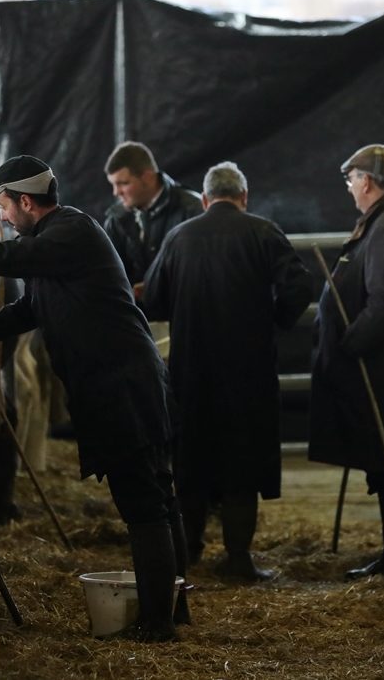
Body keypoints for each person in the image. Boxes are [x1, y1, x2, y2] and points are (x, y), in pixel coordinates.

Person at [0, 155, 189, 642]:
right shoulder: (56, 244)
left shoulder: (70, 234)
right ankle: (172, 611)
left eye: (5, 206)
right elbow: (31, 307)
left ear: (26, 202)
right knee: (157, 498)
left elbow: (7, 261)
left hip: (122, 388)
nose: (4, 217)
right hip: (124, 383)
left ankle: (158, 624)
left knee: (144, 504)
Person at [141, 161, 313, 581]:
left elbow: (156, 299)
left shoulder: (179, 237)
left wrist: (184, 309)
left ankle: (189, 552)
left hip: (191, 370)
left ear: (204, 199)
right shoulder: (263, 232)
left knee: (192, 462)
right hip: (248, 370)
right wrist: (273, 319)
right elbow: (300, 288)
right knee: (242, 462)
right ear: (244, 197)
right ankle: (239, 559)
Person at [308, 144, 384, 580]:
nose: (350, 189)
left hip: (381, 366)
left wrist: (350, 344)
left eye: (351, 180)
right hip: (381, 365)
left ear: (368, 181)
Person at [103, 141, 203, 291]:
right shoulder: (116, 219)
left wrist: (153, 289)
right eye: (113, 184)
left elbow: (202, 271)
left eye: (123, 183)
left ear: (148, 177)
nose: (116, 192)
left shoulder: (193, 209)